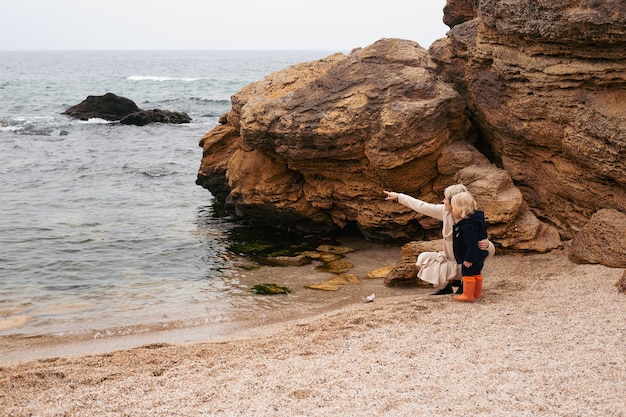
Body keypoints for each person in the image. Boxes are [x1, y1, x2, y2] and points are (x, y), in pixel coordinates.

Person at [383, 185, 494, 295]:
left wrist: (487, 244)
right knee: (424, 259)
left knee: (475, 259)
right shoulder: (444, 211)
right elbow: (421, 206)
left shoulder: (471, 219)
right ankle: (447, 287)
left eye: (445, 198)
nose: (443, 201)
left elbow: (483, 248)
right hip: (451, 259)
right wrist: (398, 197)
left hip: (466, 263)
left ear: (454, 203)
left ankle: (463, 284)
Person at [450, 191, 489, 302]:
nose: (452, 211)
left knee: (467, 273)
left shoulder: (467, 226)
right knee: (476, 272)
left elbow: (471, 244)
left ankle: (468, 295)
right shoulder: (478, 220)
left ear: (459, 209)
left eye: (453, 208)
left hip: (471, 256)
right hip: (480, 254)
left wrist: (468, 258)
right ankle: (477, 293)